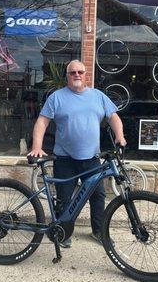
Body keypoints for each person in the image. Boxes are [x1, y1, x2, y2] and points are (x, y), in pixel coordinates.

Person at [28, 60, 126, 248]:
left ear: (85, 74)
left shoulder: (98, 96)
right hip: (64, 159)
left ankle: (98, 231)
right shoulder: (56, 97)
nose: (76, 75)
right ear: (67, 76)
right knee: (64, 197)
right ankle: (62, 233)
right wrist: (37, 146)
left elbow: (113, 117)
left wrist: (120, 137)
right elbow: (42, 122)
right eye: (72, 72)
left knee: (98, 196)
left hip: (92, 159)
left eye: (80, 71)